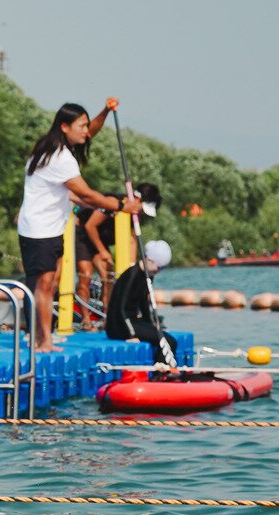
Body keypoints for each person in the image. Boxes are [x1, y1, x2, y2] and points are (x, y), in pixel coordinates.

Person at [17, 101, 138, 352]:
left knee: (51, 283)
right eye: (80, 126)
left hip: (50, 227)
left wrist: (104, 112)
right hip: (39, 229)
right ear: (64, 126)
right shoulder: (59, 157)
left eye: (86, 125)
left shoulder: (51, 145)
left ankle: (42, 337)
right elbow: (88, 195)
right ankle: (42, 340)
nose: (86, 131)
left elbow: (90, 133)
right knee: (43, 284)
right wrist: (119, 205)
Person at [73, 182, 160, 322]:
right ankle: (85, 321)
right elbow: (90, 226)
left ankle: (108, 318)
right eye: (142, 209)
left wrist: (133, 268)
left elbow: (131, 241)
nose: (142, 213)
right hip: (83, 234)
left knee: (108, 276)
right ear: (137, 199)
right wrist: (102, 251)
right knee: (86, 274)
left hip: (98, 240)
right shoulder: (113, 203)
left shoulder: (133, 216)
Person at [105, 238, 176, 360]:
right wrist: (131, 334)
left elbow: (144, 305)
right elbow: (121, 308)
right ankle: (161, 371)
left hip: (131, 322)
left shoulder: (149, 276)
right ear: (149, 260)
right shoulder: (132, 274)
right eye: (159, 267)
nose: (159, 271)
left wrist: (150, 327)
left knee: (166, 338)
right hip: (117, 326)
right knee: (168, 341)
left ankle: (163, 368)